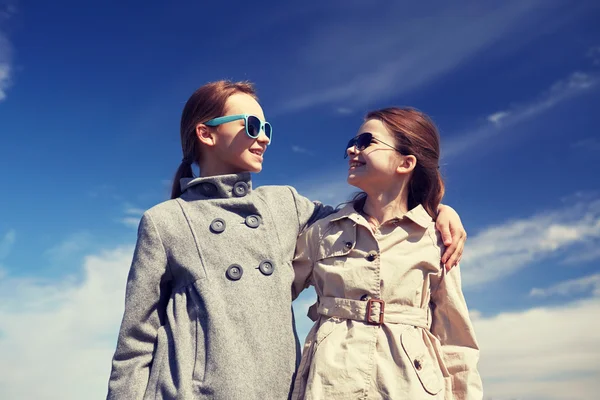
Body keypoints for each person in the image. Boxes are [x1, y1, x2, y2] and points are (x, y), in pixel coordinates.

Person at [106, 81, 468, 400]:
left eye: (267, 127)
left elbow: (372, 218)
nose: (263, 136)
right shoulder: (164, 221)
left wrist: (436, 209)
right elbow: (136, 340)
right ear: (207, 134)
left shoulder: (285, 205)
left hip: (280, 389)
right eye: (251, 125)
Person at [291, 107, 482, 399]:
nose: (352, 149)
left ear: (405, 163)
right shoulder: (321, 232)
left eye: (366, 141)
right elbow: (273, 293)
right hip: (328, 384)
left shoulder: (437, 238)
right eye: (351, 143)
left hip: (409, 387)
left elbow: (456, 341)